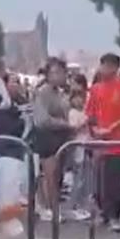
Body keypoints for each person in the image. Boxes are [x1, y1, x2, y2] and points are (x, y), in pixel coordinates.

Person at [31, 58, 86, 221]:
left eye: (61, 72)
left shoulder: (60, 92)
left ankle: (54, 206)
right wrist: (65, 124)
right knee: (50, 174)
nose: (59, 75)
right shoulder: (43, 92)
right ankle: (49, 207)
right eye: (55, 72)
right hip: (47, 137)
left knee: (57, 175)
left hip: (61, 137)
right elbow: (42, 119)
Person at [85, 53, 120, 232]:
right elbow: (90, 114)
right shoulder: (95, 89)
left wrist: (111, 129)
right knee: (99, 183)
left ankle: (114, 216)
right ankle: (103, 213)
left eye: (106, 66)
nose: (103, 69)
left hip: (118, 144)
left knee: (115, 183)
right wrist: (95, 130)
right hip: (99, 144)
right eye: (101, 65)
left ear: (114, 68)